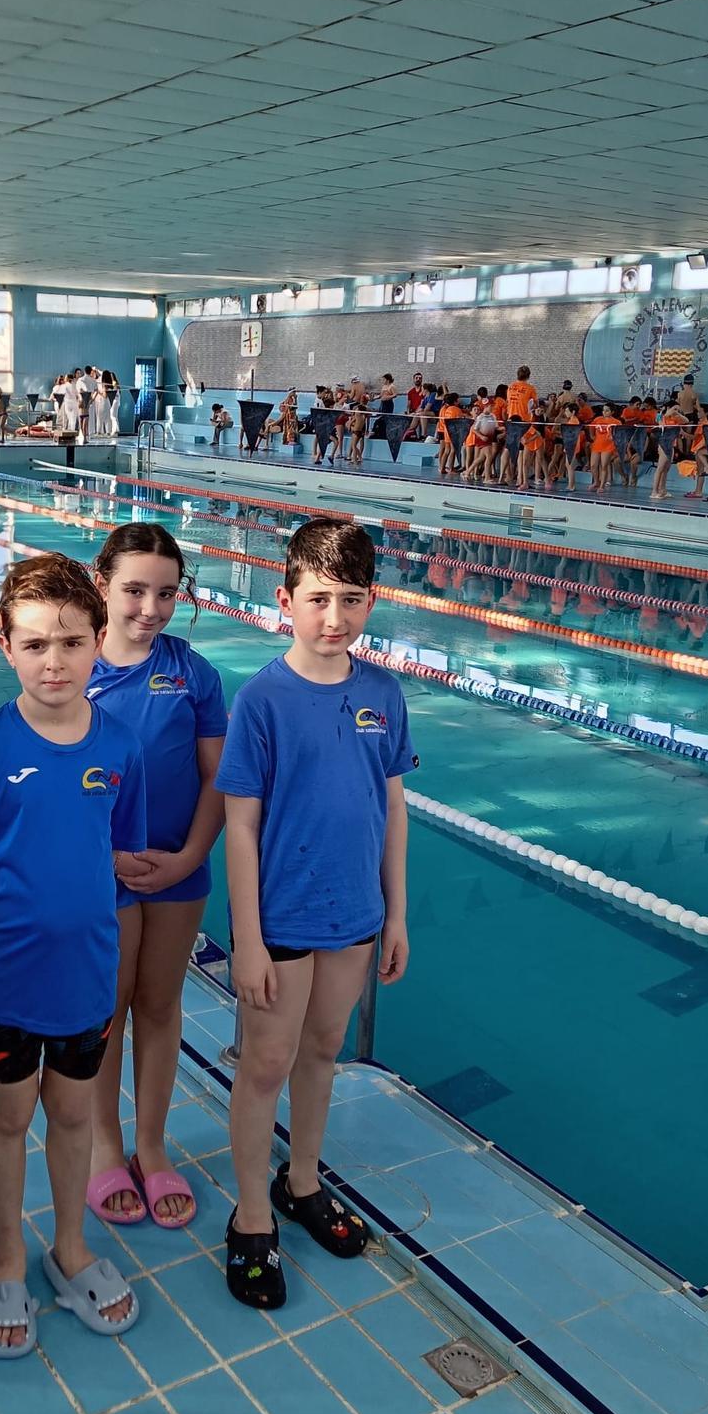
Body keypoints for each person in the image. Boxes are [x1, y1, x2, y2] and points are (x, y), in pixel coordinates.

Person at [0, 554, 146, 1357]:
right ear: (5, 647)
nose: (53, 661)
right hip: (10, 980)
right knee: (10, 1113)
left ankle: (68, 1245)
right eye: (33, 645)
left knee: (72, 1114)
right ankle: (5, 1252)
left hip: (88, 975)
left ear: (99, 641)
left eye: (69, 641)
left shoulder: (120, 745)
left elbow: (119, 851)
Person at [216, 519, 414, 1309]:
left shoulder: (383, 693)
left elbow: (393, 807)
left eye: (352, 600)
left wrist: (396, 914)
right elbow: (239, 826)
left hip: (356, 916)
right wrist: (249, 942)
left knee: (323, 1051)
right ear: (286, 599)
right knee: (265, 1063)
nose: (335, 617)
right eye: (320, 599)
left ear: (373, 602)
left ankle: (301, 1182)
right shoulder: (263, 699)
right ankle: (251, 1217)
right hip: (284, 920)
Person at [85, 526, 227, 1228]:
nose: (151, 608)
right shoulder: (71, 669)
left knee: (161, 1006)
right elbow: (51, 786)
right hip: (97, 872)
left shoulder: (193, 672)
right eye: (136, 589)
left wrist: (192, 857)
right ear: (101, 582)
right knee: (108, 1011)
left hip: (177, 867)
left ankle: (150, 1144)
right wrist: (105, 857)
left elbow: (217, 780)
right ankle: (105, 1144)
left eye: (166, 593)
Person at [587, 404, 621, 493]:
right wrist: (592, 435)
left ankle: (602, 485)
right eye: (603, 410)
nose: (604, 412)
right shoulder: (597, 419)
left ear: (612, 412)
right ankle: (596, 481)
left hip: (608, 446)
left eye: (607, 410)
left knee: (604, 466)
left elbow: (620, 434)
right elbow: (591, 427)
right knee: (593, 465)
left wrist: (614, 438)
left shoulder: (616, 422)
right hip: (597, 444)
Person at [437, 392, 464, 476]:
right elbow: (460, 420)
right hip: (453, 433)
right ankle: (451, 468)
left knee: (447, 450)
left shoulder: (447, 409)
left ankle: (442, 467)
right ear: (455, 401)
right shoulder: (456, 410)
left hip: (446, 432)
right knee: (453, 450)